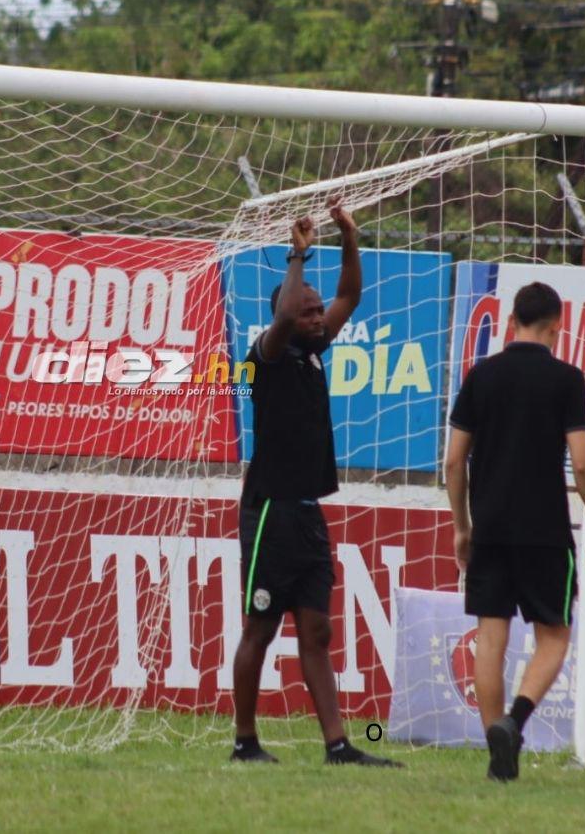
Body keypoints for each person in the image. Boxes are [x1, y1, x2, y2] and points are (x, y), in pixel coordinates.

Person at [230, 198, 401, 768]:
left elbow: (349, 294)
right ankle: (245, 740)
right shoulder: (270, 352)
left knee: (319, 629)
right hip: (270, 513)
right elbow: (283, 318)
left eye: (315, 310)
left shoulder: (313, 350)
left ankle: (338, 745)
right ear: (285, 312)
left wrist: (348, 238)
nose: (317, 314)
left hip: (305, 515)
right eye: (307, 310)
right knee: (259, 627)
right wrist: (297, 256)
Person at [445, 281, 585, 782]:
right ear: (556, 329)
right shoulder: (565, 379)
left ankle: (500, 755)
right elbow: (582, 464)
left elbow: (454, 460)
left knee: (490, 638)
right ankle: (515, 724)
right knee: (554, 638)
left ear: (511, 321)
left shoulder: (482, 376)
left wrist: (461, 526)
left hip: (490, 529)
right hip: (544, 531)